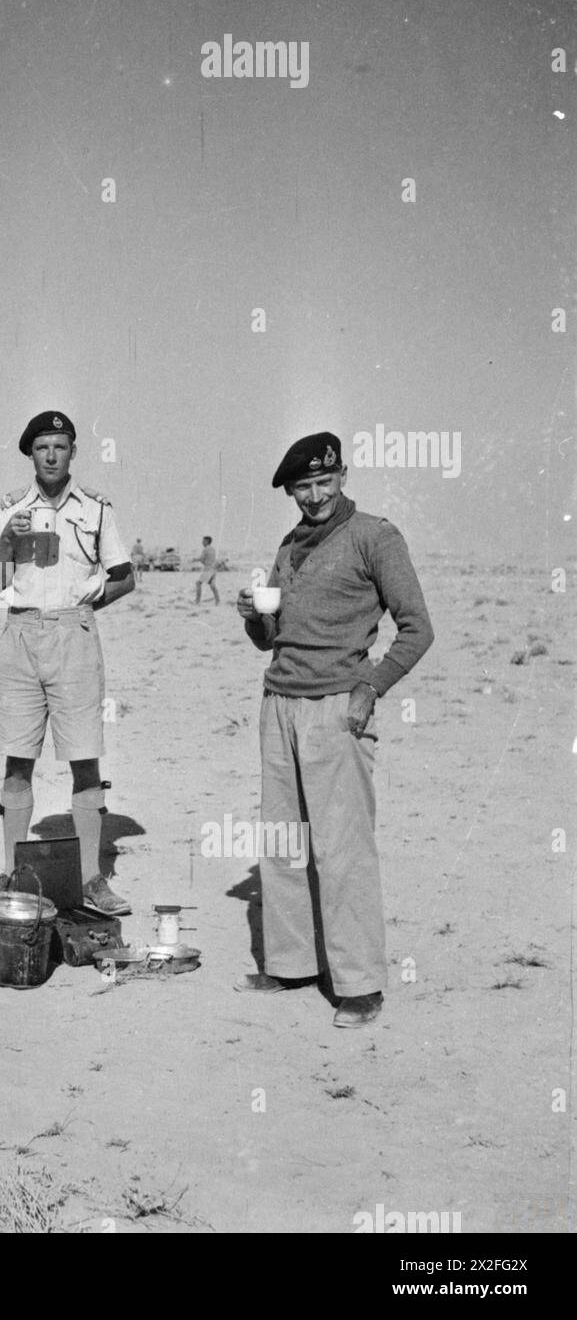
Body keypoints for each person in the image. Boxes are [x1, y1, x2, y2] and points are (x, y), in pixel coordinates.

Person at [235, 431, 434, 1028]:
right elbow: (272, 640)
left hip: (336, 707)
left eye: (325, 482)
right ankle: (292, 963)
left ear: (343, 476)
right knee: (284, 843)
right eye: (303, 487)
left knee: (343, 850)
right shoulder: (290, 544)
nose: (315, 495)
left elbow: (417, 628)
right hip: (280, 703)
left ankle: (361, 985)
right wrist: (254, 620)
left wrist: (370, 688)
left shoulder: (376, 535)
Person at [0, 410, 136, 916]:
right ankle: (11, 870)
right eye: (43, 447)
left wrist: (86, 609)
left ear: (73, 452)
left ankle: (92, 878)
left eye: (61, 446)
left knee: (84, 756)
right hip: (21, 633)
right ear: (31, 454)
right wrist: (9, 537)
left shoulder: (95, 509)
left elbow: (124, 575)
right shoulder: (12, 507)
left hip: (74, 634)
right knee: (16, 755)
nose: (52, 455)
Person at [193, 535, 219, 605]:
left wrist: (194, 559)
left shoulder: (205, 549)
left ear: (207, 541)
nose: (202, 542)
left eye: (203, 541)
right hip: (214, 569)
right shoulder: (213, 549)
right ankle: (217, 601)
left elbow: (201, 559)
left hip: (207, 569)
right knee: (212, 585)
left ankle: (197, 601)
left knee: (198, 583)